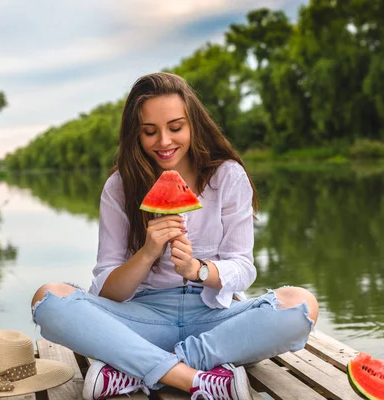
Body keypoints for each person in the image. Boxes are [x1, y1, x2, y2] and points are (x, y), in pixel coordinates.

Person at [31, 72, 319, 400]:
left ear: (193, 124)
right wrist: (147, 252)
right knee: (48, 299)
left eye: (176, 127)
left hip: (214, 320)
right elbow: (108, 291)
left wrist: (200, 270)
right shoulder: (119, 187)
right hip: (141, 319)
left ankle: (134, 368)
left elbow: (243, 268)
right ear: (135, 135)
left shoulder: (227, 177)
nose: (165, 142)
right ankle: (196, 378)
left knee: (300, 306)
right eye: (150, 132)